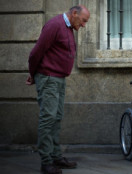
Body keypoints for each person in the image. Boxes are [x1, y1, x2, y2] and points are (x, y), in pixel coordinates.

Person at [25, 5, 90, 174]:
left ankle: (55, 157)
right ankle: (46, 162)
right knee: (48, 118)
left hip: (59, 78)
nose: (83, 25)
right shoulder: (54, 25)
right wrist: (33, 74)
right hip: (48, 78)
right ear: (74, 14)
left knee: (56, 117)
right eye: (83, 21)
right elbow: (35, 53)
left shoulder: (68, 28)